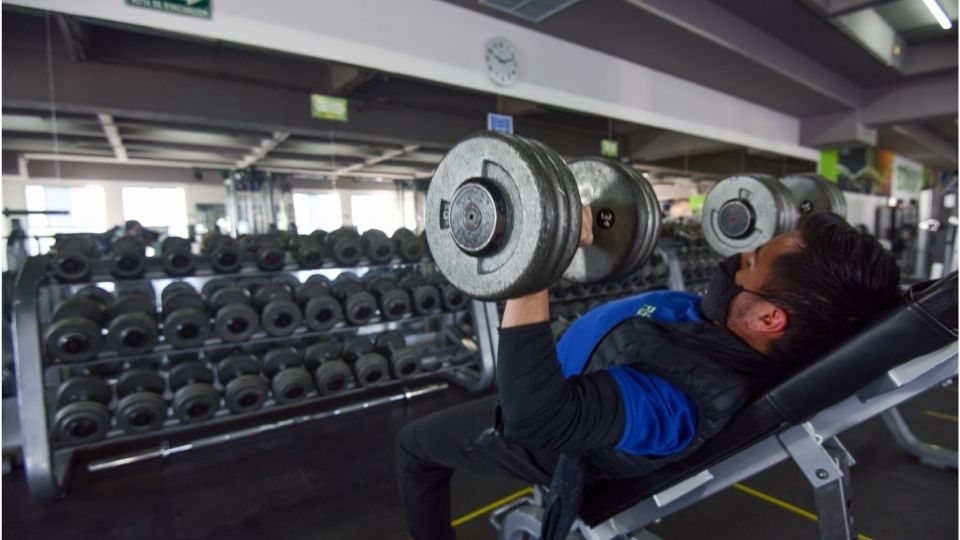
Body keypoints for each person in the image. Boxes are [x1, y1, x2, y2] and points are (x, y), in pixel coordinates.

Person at [396, 211, 902, 540]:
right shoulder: (726, 328)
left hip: (554, 434)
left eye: (751, 262)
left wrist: (537, 264)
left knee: (414, 446)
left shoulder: (681, 399)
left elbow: (537, 419)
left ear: (771, 319)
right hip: (584, 368)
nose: (734, 261)